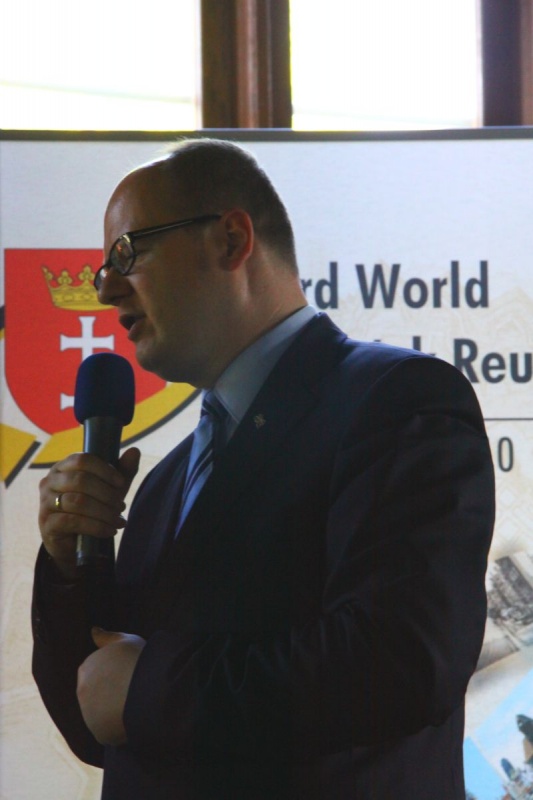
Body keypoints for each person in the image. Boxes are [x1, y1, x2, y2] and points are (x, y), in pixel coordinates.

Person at [32, 138, 495, 799]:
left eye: (127, 254)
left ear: (230, 240)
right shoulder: (163, 485)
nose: (104, 288)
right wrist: (69, 568)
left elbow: (402, 661)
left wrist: (153, 688)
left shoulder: (397, 399)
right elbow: (100, 722)